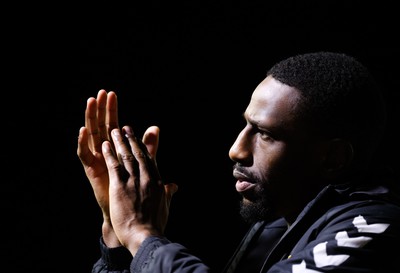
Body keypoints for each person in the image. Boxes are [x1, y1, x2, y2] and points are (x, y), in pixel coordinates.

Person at [77, 51, 400, 273]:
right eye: (246, 125)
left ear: (333, 157)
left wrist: (141, 233)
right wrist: (116, 234)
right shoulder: (277, 223)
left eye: (265, 134)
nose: (236, 150)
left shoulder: (374, 227)